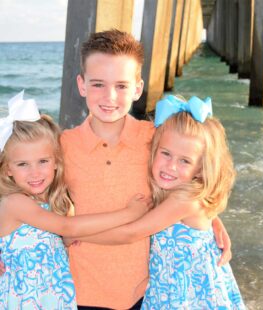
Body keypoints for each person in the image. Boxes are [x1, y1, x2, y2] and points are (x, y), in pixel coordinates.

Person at [60, 29, 233, 309]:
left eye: (122, 85)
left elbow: (188, 177)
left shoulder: (156, 140)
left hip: (146, 292)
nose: (110, 96)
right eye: (98, 84)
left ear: (138, 88)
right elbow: (23, 189)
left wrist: (210, 219)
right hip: (81, 291)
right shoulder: (62, 146)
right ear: (81, 84)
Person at [67, 95, 246, 309]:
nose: (171, 166)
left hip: (191, 293)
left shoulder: (184, 198)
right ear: (155, 150)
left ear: (200, 168)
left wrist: (76, 233)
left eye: (184, 161)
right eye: (166, 154)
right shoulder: (170, 191)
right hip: (170, 287)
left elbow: (131, 233)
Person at [0, 91, 151, 309]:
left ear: (55, 162)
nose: (34, 172)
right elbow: (66, 226)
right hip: (24, 298)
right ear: (7, 171)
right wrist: (128, 214)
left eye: (42, 161)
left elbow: (56, 235)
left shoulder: (51, 203)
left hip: (53, 297)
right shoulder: (15, 202)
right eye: (23, 164)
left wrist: (64, 241)